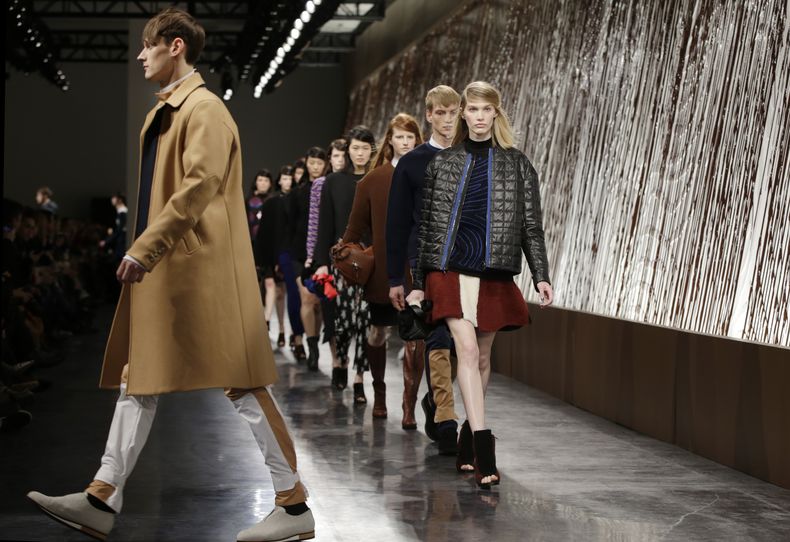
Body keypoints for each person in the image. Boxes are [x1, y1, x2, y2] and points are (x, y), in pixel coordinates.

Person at [26, 9, 315, 541]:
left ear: (174, 46)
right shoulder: (172, 110)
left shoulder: (202, 109)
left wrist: (145, 248)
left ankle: (294, 506)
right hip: (174, 270)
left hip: (199, 271)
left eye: (147, 45)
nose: (139, 55)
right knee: (143, 378)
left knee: (243, 383)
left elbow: (199, 184)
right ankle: (102, 496)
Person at [409, 81, 553, 489]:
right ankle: (485, 449)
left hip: (493, 272)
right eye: (471, 109)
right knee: (467, 351)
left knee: (483, 359)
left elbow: (531, 227)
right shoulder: (444, 163)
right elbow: (428, 229)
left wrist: (541, 275)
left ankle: (468, 437)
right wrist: (419, 282)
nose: (477, 116)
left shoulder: (517, 164)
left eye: (484, 109)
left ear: (495, 114)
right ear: (463, 114)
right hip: (449, 270)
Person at [386, 85, 463, 453]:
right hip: (425, 264)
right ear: (429, 115)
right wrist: (395, 279)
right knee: (437, 335)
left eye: (453, 113)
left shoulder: (472, 157)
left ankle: (436, 402)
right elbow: (398, 223)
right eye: (441, 113)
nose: (448, 120)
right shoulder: (412, 162)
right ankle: (446, 417)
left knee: (464, 342)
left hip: (467, 261)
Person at [341, 113, 424, 425]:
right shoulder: (372, 181)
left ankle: (408, 404)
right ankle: (378, 390)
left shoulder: (427, 176)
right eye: (399, 137)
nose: (404, 142)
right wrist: (342, 253)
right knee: (378, 333)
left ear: (417, 140)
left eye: (409, 137)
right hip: (382, 272)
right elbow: (354, 228)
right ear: (390, 140)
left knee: (414, 339)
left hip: (415, 270)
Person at [314, 126, 376, 394]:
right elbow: (325, 224)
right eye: (355, 147)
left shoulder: (378, 178)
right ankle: (340, 363)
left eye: (365, 147)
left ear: (371, 149)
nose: (360, 153)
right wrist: (320, 262)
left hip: (371, 258)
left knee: (365, 319)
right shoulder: (333, 182)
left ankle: (360, 378)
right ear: (347, 149)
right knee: (339, 317)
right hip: (340, 259)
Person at [305, 138, 347, 373]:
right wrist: (313, 257)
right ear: (329, 159)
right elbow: (314, 224)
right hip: (328, 257)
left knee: (349, 312)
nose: (340, 160)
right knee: (330, 309)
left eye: (343, 155)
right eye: (336, 156)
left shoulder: (356, 181)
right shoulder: (321, 184)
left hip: (353, 256)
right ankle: (336, 360)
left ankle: (343, 358)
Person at [289, 147, 328, 370]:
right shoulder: (298, 192)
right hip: (298, 253)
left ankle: (314, 340)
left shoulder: (327, 188)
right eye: (311, 162)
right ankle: (312, 346)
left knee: (319, 302)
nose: (315, 167)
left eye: (319, 163)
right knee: (306, 298)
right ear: (306, 164)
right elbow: (291, 224)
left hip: (319, 251)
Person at [100, 193, 128, 261]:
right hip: (121, 239)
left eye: (114, 197)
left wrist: (107, 241)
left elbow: (120, 229)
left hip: (123, 239)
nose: (112, 199)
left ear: (120, 200)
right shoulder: (120, 211)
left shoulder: (123, 211)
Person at [247, 169, 273, 240]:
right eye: (260, 180)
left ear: (270, 184)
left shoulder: (274, 202)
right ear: (256, 182)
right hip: (251, 241)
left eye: (266, 180)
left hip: (269, 240)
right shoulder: (248, 201)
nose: (263, 183)